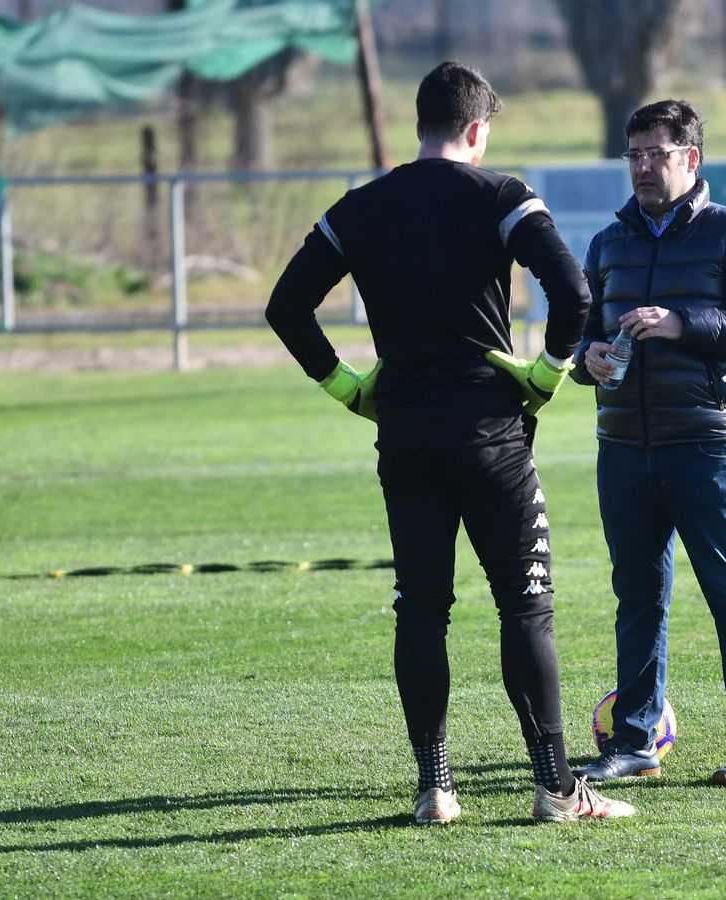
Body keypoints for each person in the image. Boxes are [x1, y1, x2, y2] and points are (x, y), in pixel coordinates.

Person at [264, 62, 634, 825]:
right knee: (524, 610)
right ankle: (557, 791)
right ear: (477, 129)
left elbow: (286, 307)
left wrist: (349, 387)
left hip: (403, 431)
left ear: (419, 125)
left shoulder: (360, 207)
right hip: (489, 431)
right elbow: (574, 295)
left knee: (422, 610)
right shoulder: (501, 196)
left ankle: (435, 788)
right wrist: (547, 374)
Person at [568, 99, 726, 787]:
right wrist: (589, 360)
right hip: (625, 448)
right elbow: (578, 334)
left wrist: (683, 322)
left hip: (709, 447)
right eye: (632, 154)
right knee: (637, 598)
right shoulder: (609, 244)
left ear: (690, 159)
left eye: (654, 154)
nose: (640, 166)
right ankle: (633, 741)